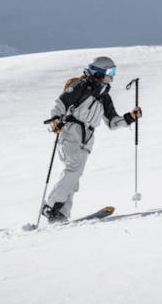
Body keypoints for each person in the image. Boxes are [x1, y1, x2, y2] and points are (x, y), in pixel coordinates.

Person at [42, 57, 142, 223]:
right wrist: (55, 121)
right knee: (73, 169)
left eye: (114, 72)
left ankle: (61, 214)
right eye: (110, 72)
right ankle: (50, 206)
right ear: (99, 72)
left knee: (75, 176)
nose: (113, 76)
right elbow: (60, 104)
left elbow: (112, 122)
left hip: (88, 137)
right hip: (71, 131)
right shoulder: (82, 86)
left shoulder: (104, 96)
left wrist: (130, 117)